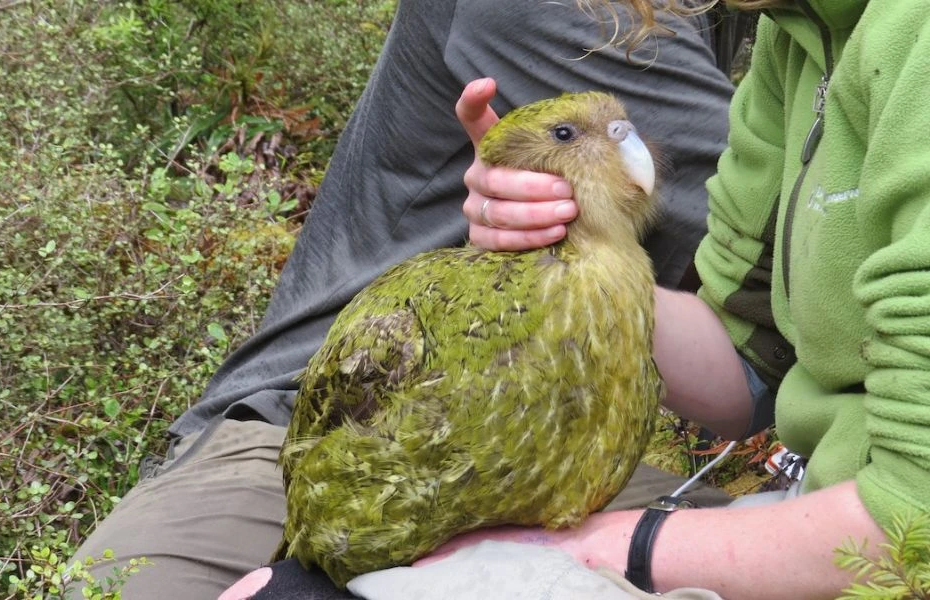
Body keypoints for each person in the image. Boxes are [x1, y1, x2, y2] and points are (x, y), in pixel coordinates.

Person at [226, 0, 930, 598]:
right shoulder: (789, 29)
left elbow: (918, 517)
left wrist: (596, 550)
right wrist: (578, 255)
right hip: (320, 420)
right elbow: (746, 368)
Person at [68, 0, 737, 598]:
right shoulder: (579, 13)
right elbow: (778, 244)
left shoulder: (772, 28)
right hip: (325, 424)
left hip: (551, 445)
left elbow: (760, 340)